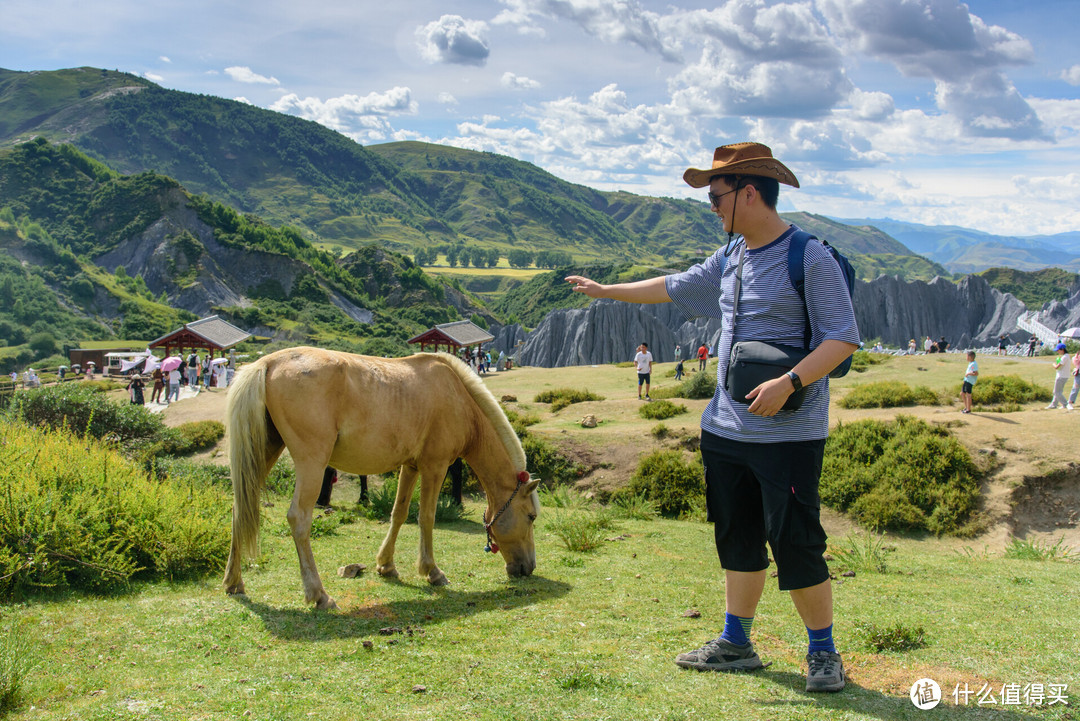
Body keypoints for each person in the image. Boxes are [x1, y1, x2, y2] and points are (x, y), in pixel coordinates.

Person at [565, 142, 859, 693]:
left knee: (795, 540)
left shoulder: (809, 257)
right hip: (725, 429)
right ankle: (736, 642)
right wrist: (606, 291)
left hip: (789, 433)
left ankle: (823, 653)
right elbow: (671, 287)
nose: (711, 207)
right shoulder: (733, 256)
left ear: (749, 193)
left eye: (715, 196)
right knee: (738, 535)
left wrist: (790, 382)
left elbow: (842, 337)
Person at [1047, 343, 1070, 409]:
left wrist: (1054, 364)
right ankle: (1054, 404)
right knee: (1058, 391)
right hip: (1064, 376)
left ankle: (1065, 404)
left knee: (1056, 392)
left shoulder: (1064, 357)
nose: (1057, 352)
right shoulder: (1066, 356)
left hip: (1061, 376)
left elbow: (1057, 367)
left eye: (1058, 350)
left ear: (1062, 349)